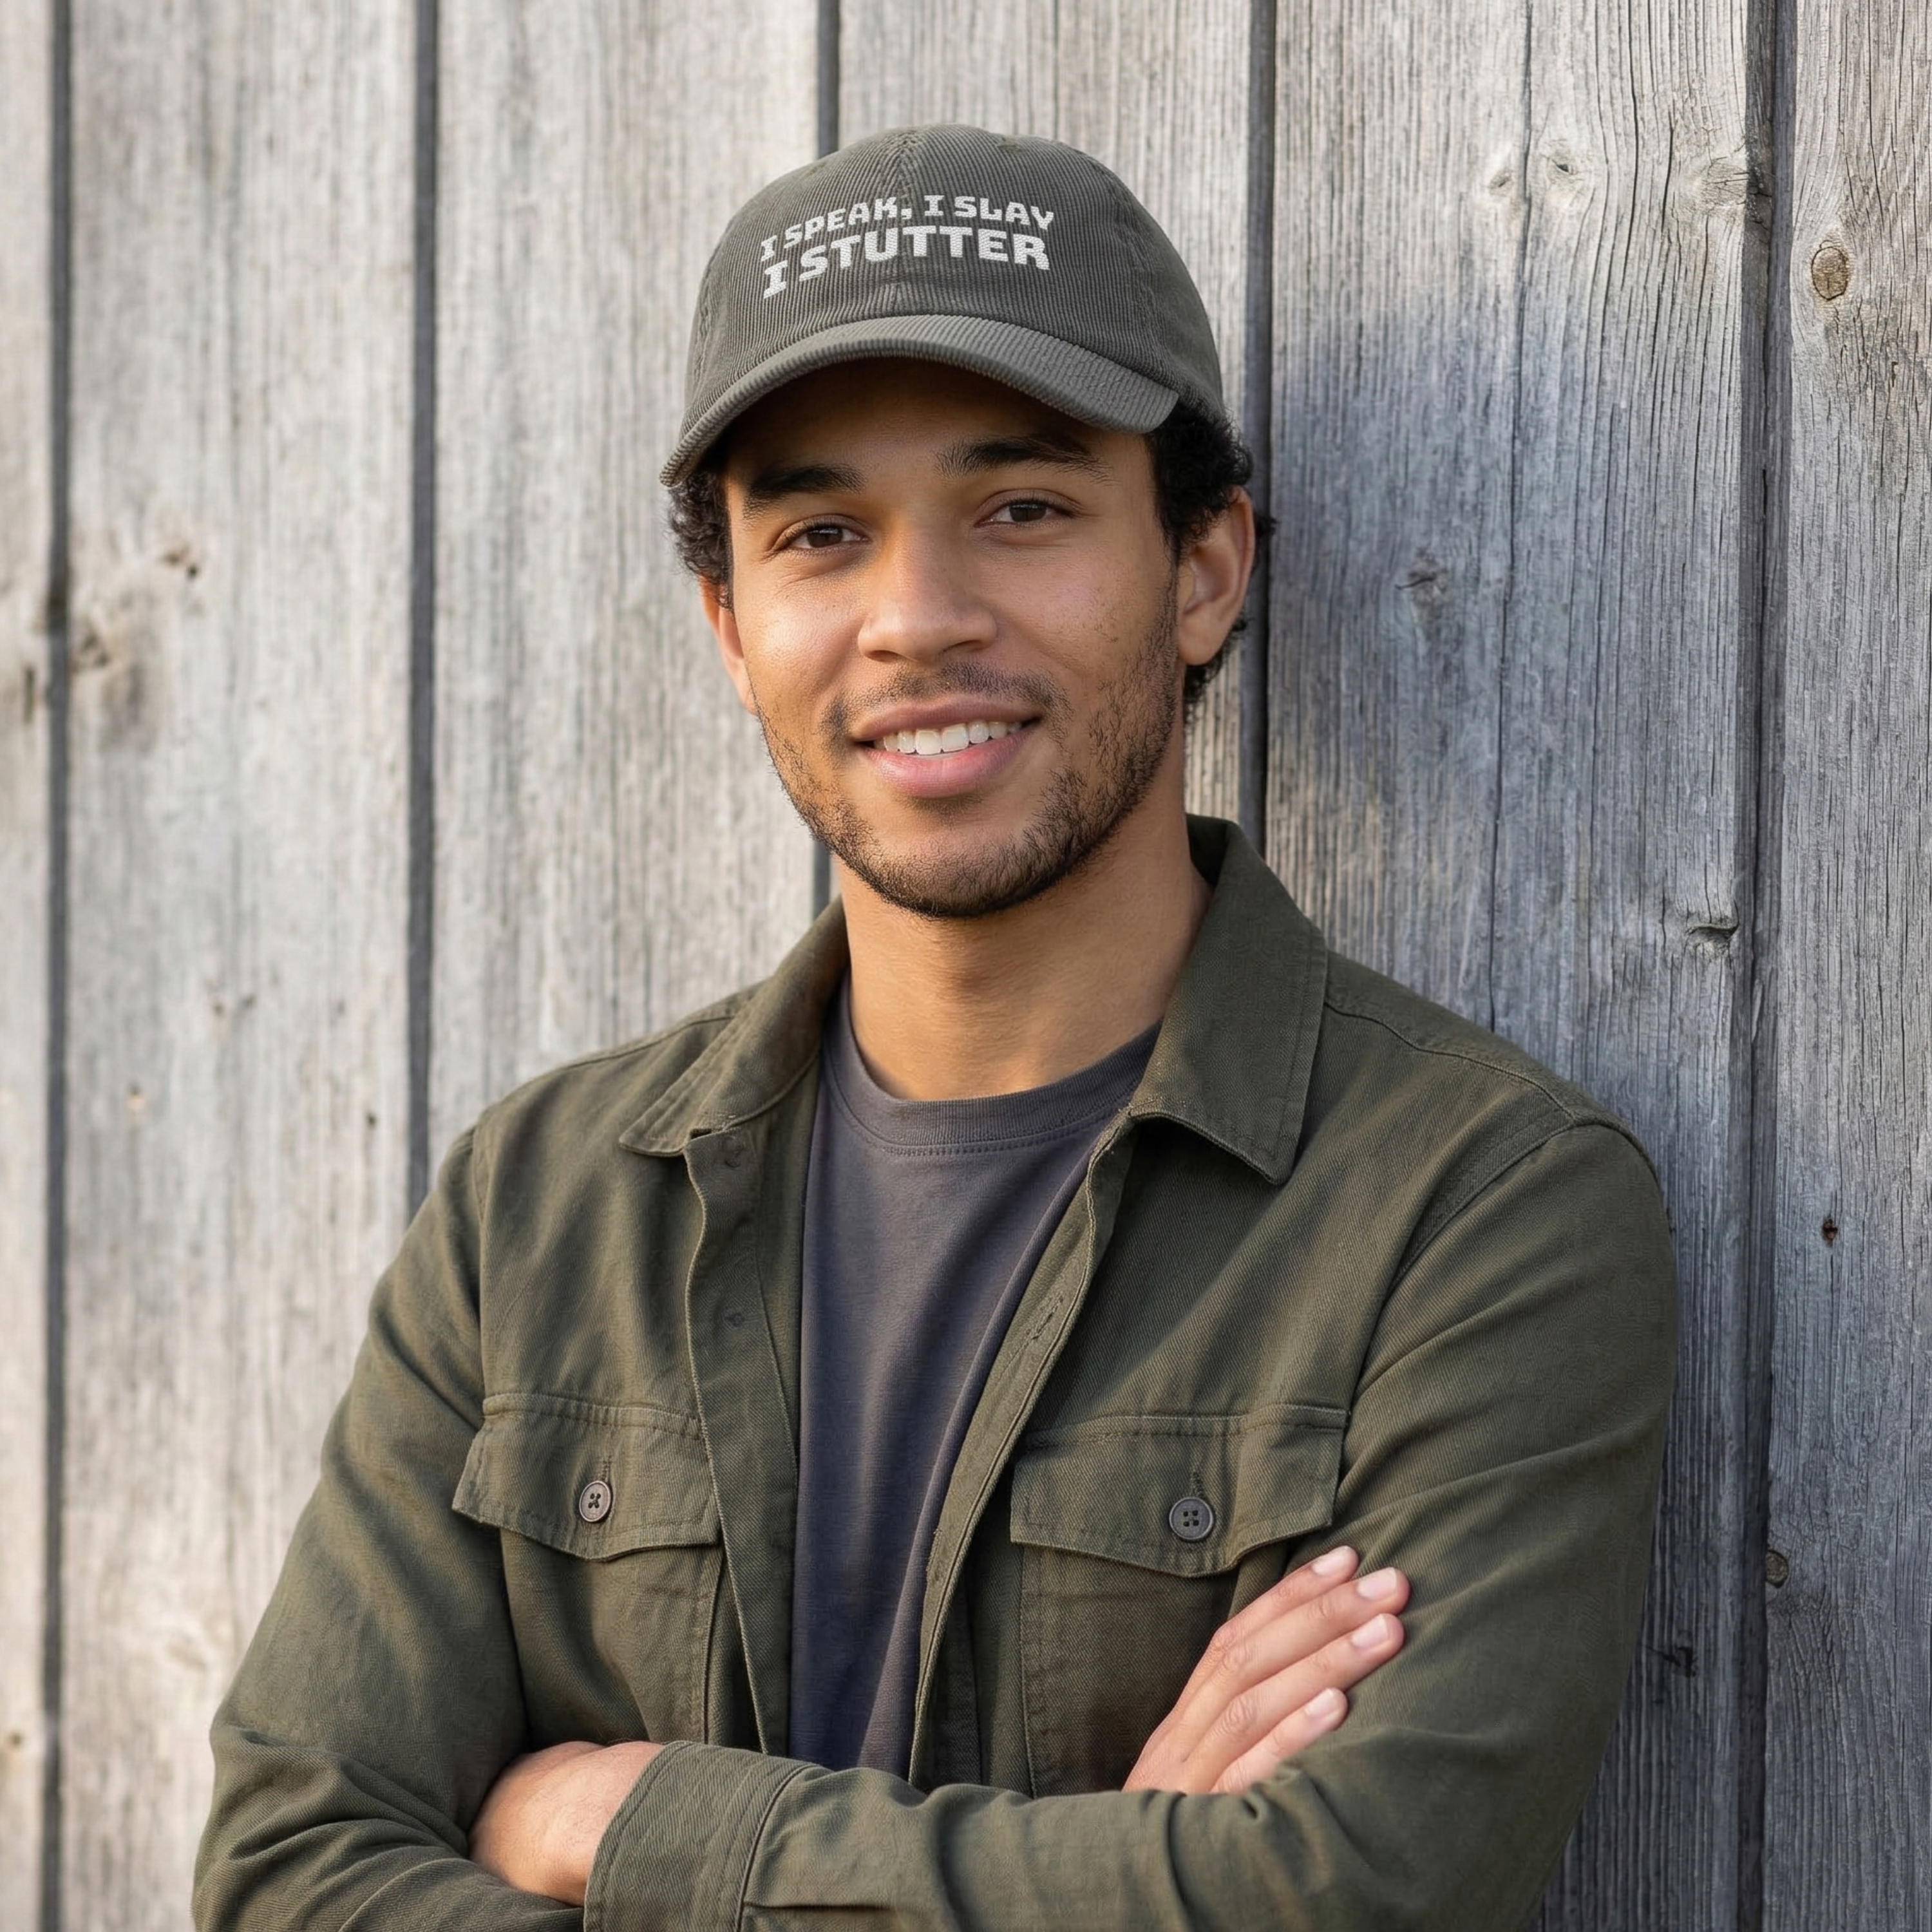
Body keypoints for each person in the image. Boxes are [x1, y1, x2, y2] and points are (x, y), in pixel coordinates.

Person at [195, 124, 1675, 1932]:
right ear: (733, 624)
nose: (917, 618)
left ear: (1204, 569)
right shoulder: (541, 1207)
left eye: (1024, 509)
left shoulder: (1474, 1212)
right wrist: (1118, 1878)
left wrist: (634, 1826)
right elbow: (285, 1876)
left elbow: (1348, 1900)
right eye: (825, 534)